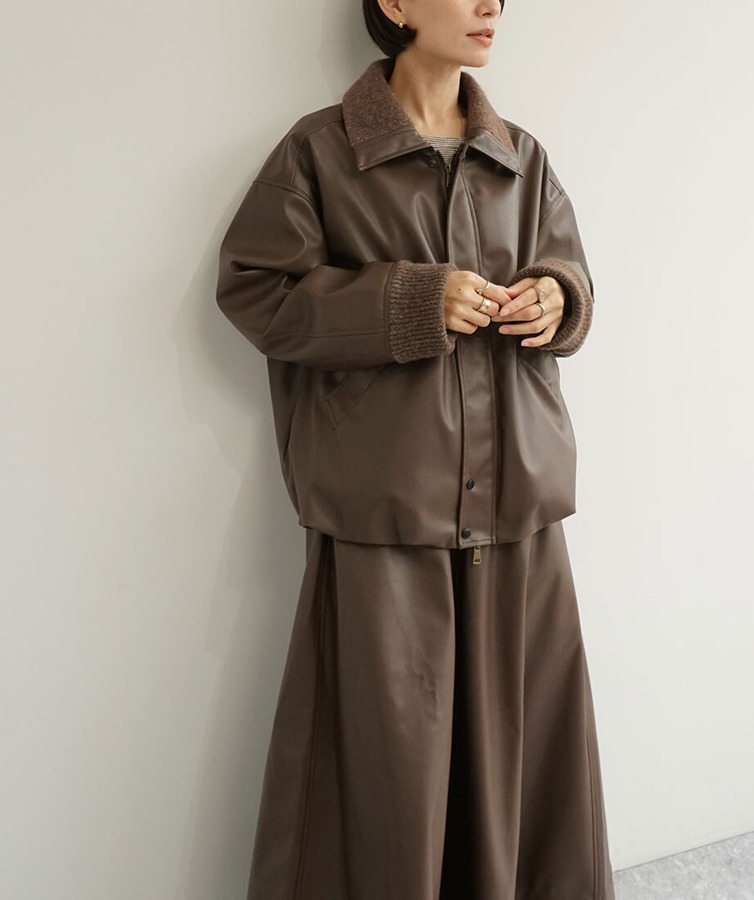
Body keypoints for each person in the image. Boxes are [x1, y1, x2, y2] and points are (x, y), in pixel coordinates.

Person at [215, 0, 617, 897]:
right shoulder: (320, 153)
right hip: (386, 511)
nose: (491, 5)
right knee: (385, 775)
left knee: (527, 760)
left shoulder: (521, 159)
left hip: (518, 509)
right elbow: (256, 292)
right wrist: (407, 302)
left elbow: (573, 276)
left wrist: (559, 297)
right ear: (395, 2)